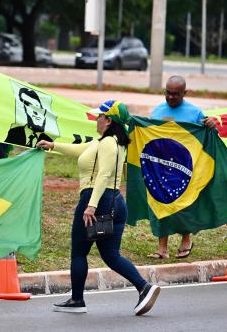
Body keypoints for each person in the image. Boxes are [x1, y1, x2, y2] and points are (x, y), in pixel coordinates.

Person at [37, 100, 160, 315]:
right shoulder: (107, 142)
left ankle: (77, 300)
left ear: (108, 120)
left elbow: (103, 174)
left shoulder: (108, 144)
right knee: (111, 255)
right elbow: (81, 150)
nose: (96, 119)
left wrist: (91, 206)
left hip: (96, 199)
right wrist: (53, 146)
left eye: (99, 116)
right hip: (115, 202)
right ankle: (144, 287)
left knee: (78, 252)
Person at [147, 75, 216, 260]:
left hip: (186, 166)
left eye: (176, 94)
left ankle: (186, 240)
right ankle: (162, 248)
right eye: (168, 93)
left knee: (185, 204)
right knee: (162, 203)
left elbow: (210, 134)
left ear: (185, 93)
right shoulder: (157, 111)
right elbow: (149, 134)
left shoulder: (195, 112)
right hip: (161, 166)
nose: (171, 97)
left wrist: (211, 125)